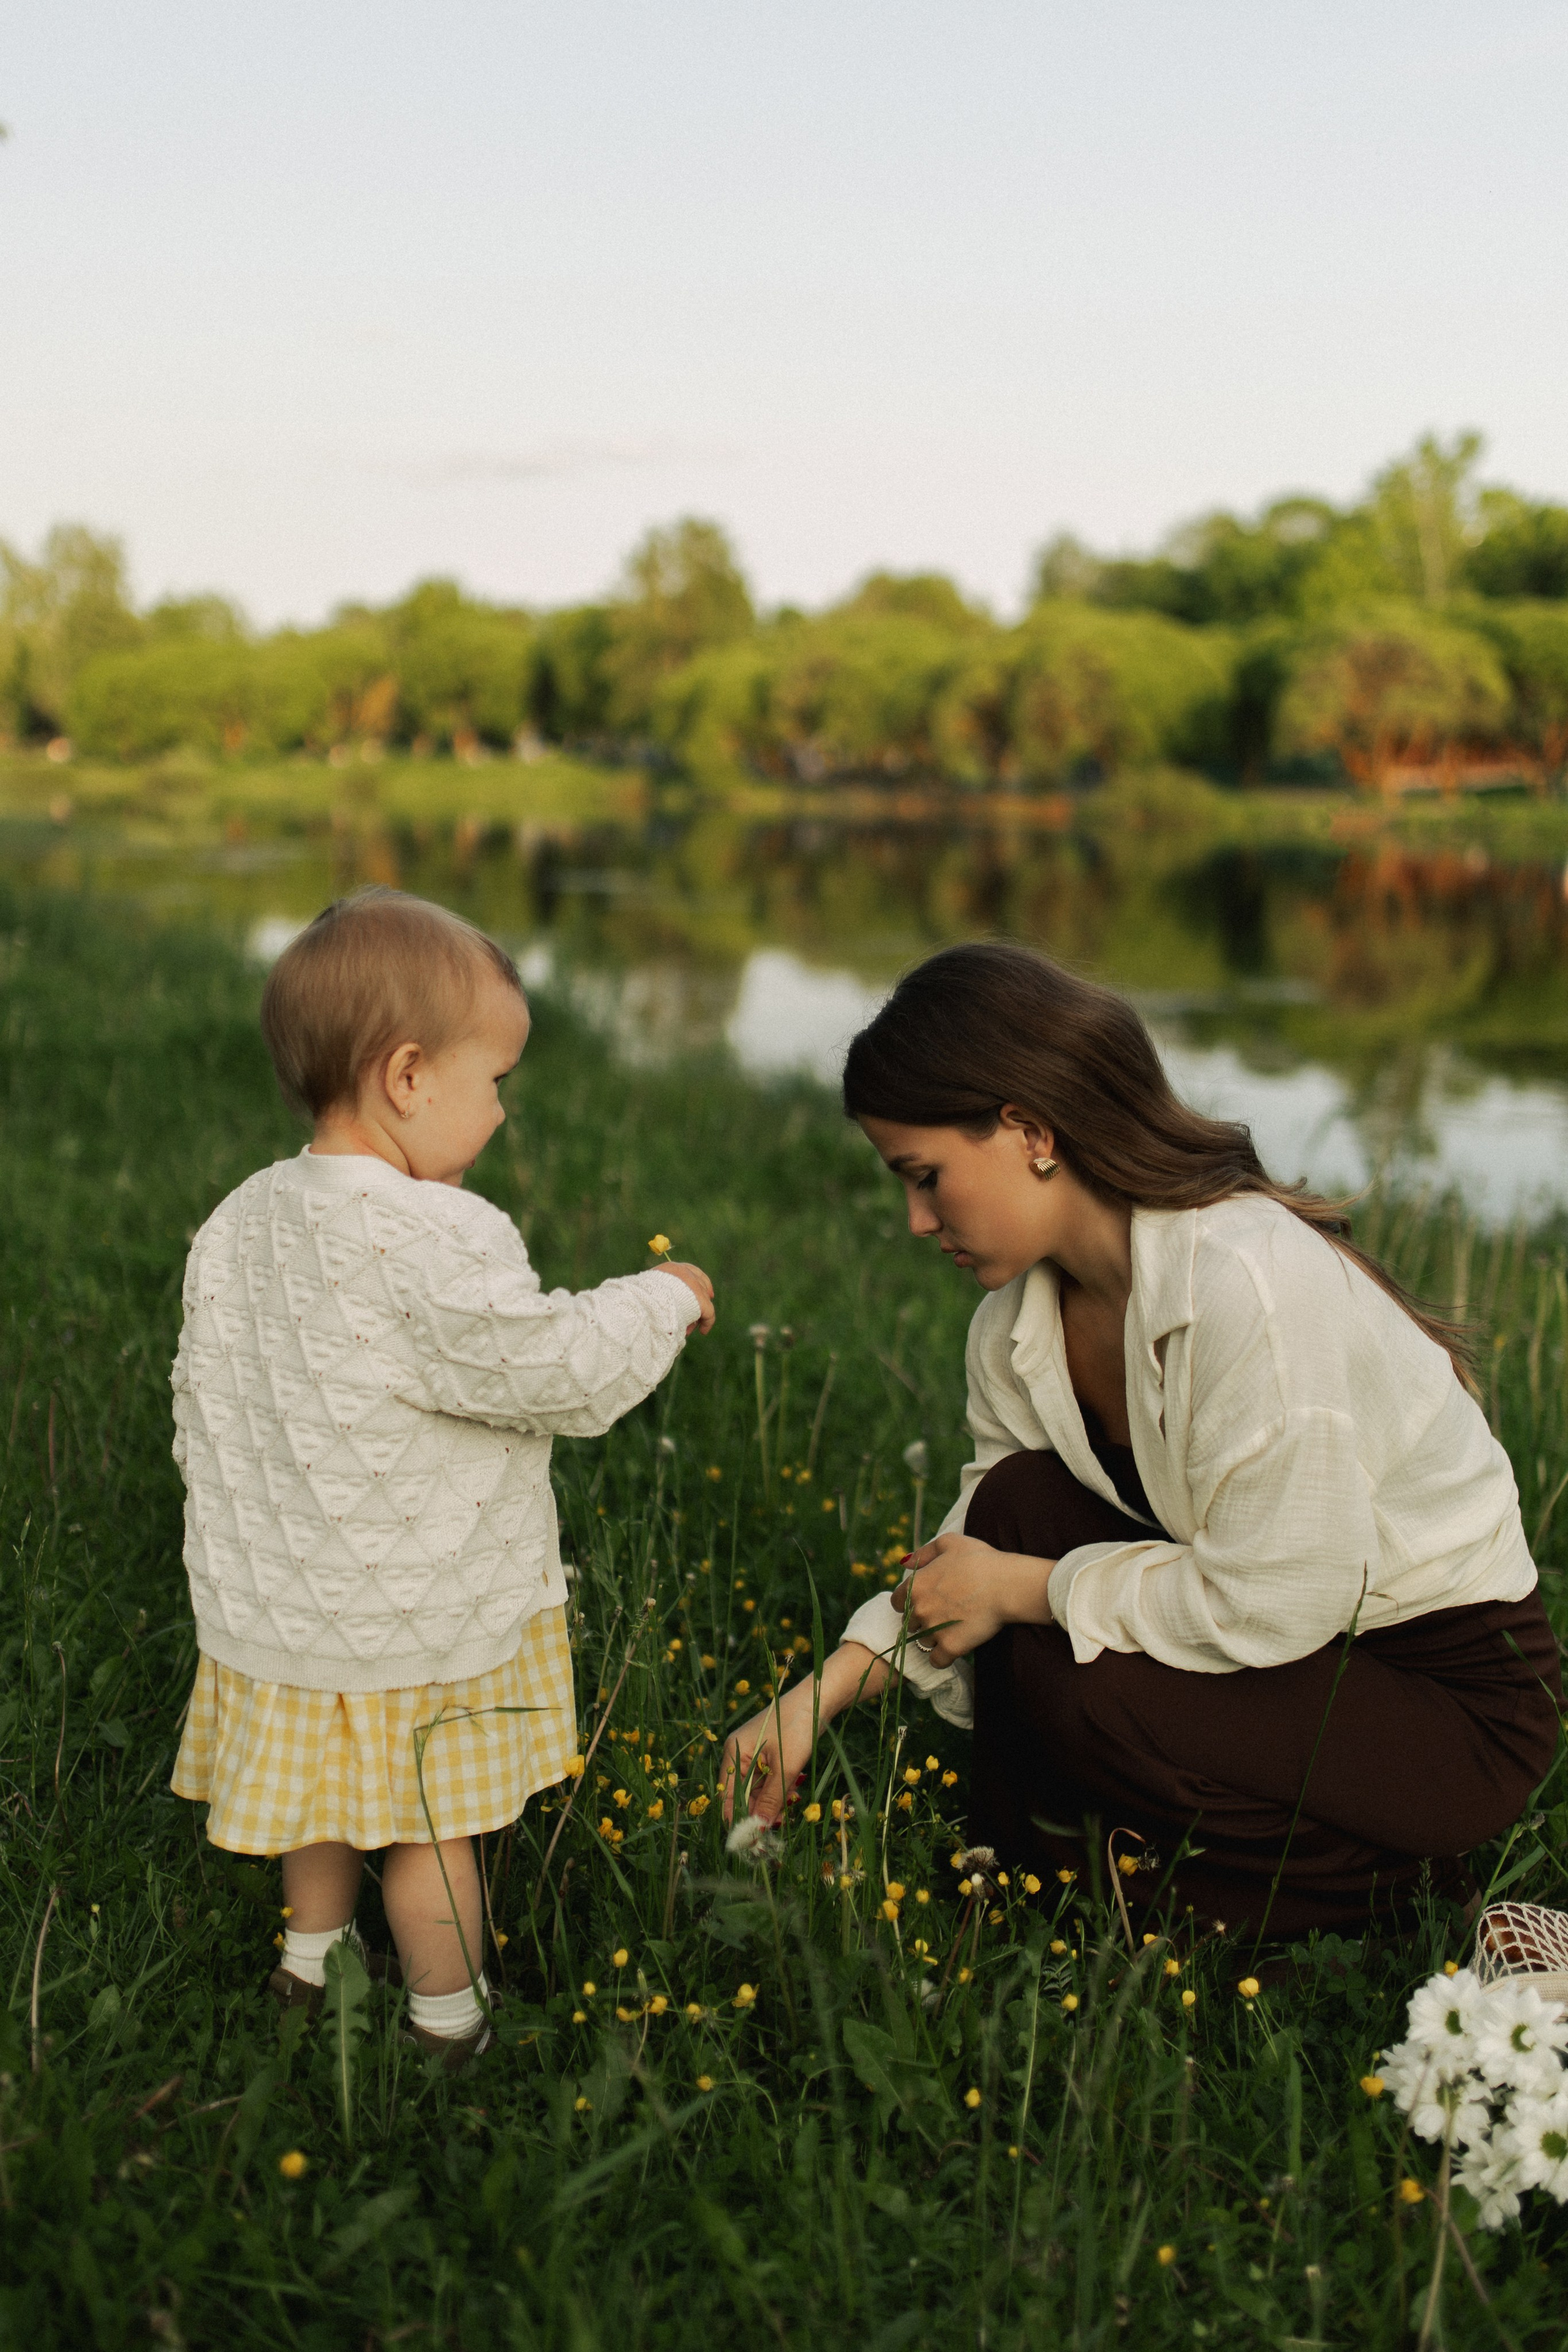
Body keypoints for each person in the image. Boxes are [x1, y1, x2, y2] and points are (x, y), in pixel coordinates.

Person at [722, 941, 1561, 1937]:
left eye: (926, 1177)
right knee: (1016, 1511)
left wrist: (1032, 1591)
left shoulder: (1246, 1283)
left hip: (1434, 1704)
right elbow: (975, 1550)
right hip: (1285, 1662)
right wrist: (819, 1695)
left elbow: (1274, 1604)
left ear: (1030, 1131)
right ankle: (1040, 1876)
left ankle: (1393, 1894)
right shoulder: (1017, 1326)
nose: (914, 1219)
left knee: (1082, 1686)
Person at [171, 888, 714, 2064]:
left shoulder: (238, 1218)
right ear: (408, 1077)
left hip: (282, 1606)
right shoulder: (436, 1234)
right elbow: (555, 1370)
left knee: (318, 1804)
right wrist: (662, 1301)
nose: (504, 1112)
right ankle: (448, 2026)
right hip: (414, 1615)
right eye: (496, 1081)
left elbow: (202, 1397)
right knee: (430, 1828)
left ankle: (309, 1962)